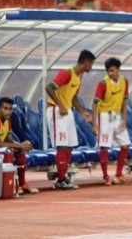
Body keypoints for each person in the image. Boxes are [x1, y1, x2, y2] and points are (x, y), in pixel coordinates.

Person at [46, 49, 95, 189]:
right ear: (86, 63)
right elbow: (49, 87)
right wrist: (60, 105)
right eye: (91, 64)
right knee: (61, 145)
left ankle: (64, 177)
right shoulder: (66, 73)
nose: (91, 67)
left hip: (67, 111)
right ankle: (60, 180)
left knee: (69, 145)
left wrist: (82, 112)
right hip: (56, 110)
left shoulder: (79, 78)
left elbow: (73, 97)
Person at [0, 97, 38, 194]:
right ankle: (9, 186)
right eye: (5, 108)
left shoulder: (7, 121)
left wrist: (22, 146)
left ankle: (22, 184)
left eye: (10, 109)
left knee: (19, 150)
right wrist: (20, 145)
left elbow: (10, 140)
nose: (8, 111)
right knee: (9, 150)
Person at [92, 57, 131, 186]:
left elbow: (125, 101)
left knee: (125, 144)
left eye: (112, 70)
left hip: (117, 116)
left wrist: (124, 119)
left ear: (118, 69)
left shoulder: (124, 81)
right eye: (108, 71)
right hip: (104, 116)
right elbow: (95, 103)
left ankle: (119, 174)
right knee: (104, 146)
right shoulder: (103, 83)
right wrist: (95, 123)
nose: (110, 73)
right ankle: (105, 176)